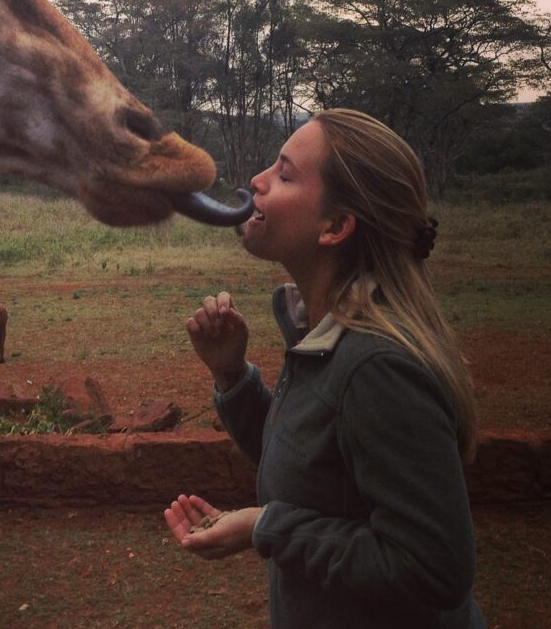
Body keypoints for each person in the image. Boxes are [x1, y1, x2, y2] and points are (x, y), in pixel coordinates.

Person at [164, 108, 485, 629]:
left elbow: (435, 568)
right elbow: (310, 466)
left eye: (285, 174)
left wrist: (265, 527)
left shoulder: (377, 367)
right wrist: (233, 377)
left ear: (335, 227)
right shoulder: (325, 336)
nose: (257, 181)